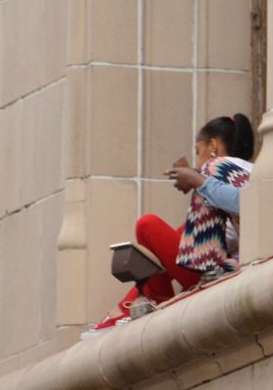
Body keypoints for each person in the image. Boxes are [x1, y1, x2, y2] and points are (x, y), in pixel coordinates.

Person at [81, 114, 255, 338]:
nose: (199, 160)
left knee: (147, 225)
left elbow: (245, 204)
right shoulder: (239, 169)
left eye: (197, 150)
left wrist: (196, 179)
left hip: (212, 269)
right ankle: (131, 306)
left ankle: (148, 301)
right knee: (176, 234)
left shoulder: (219, 165)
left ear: (213, 146)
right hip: (219, 268)